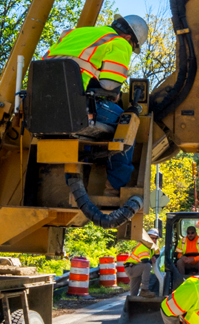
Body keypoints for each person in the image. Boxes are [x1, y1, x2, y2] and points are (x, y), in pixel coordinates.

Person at [44, 14, 148, 194]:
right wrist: (112, 94)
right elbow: (109, 85)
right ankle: (115, 187)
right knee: (127, 121)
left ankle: (75, 183)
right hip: (76, 107)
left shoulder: (76, 33)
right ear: (129, 38)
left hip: (43, 106)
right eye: (133, 47)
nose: (130, 49)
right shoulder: (119, 42)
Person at [125, 229, 160, 298]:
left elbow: (158, 253)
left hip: (136, 268)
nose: (154, 240)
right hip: (132, 268)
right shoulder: (143, 246)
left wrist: (154, 256)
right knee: (147, 265)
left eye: (155, 238)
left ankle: (133, 305)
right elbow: (145, 261)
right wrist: (151, 259)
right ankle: (144, 290)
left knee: (133, 295)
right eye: (152, 238)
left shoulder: (152, 247)